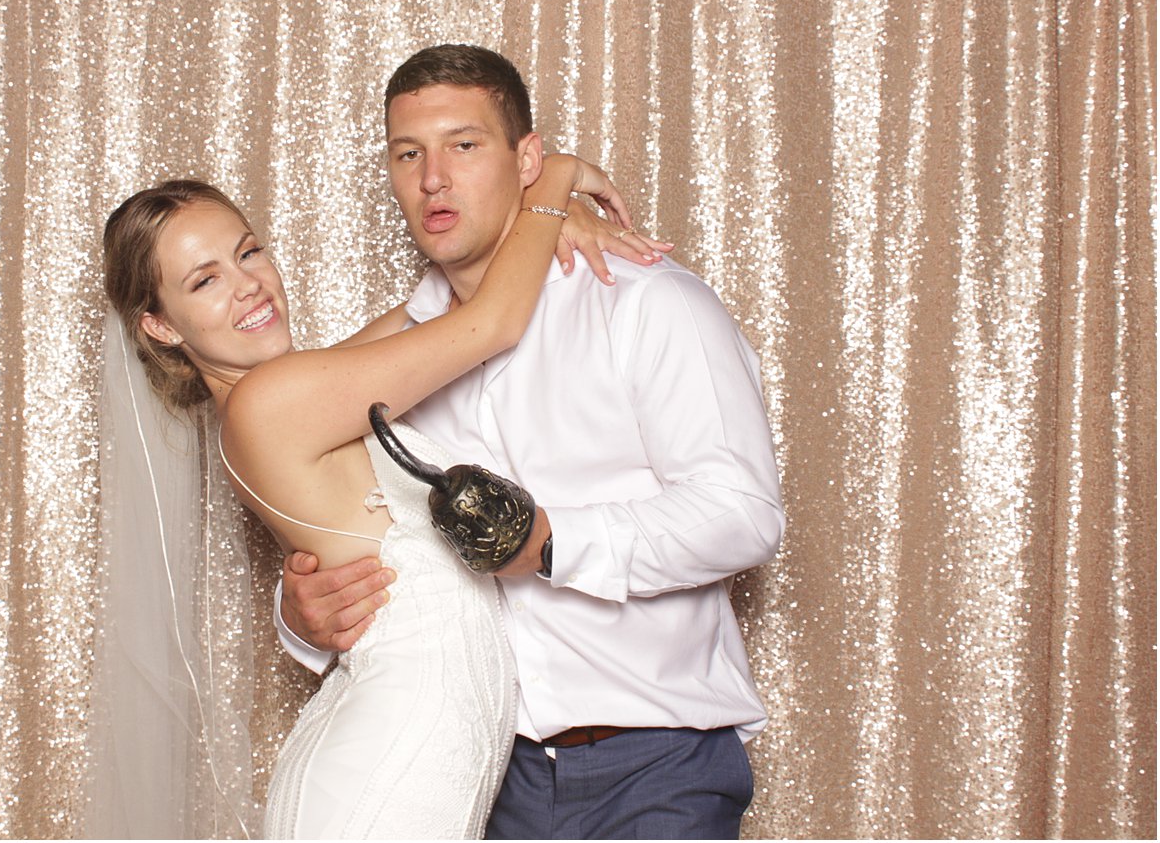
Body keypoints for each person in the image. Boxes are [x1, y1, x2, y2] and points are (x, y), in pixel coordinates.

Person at [278, 44, 785, 840]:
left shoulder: (650, 305)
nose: (433, 177)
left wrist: (551, 543)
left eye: (464, 145)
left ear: (528, 160)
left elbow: (743, 512)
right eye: (408, 153)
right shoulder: (395, 361)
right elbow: (352, 525)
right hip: (486, 781)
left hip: (656, 764)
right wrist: (303, 617)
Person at [97, 153, 665, 838]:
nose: (249, 286)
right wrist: (552, 179)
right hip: (388, 770)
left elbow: (444, 301)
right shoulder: (271, 403)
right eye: (205, 280)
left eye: (249, 251)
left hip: (406, 751)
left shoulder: (300, 390)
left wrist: (533, 222)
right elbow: (490, 324)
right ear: (161, 324)